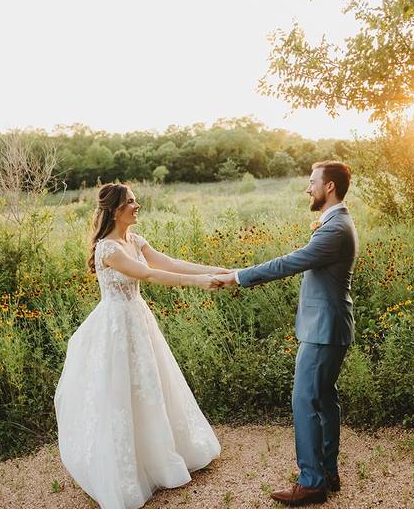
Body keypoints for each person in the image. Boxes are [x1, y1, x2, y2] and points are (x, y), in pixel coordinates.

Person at [54, 183, 224, 509]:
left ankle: (161, 456)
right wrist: (201, 284)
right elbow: (149, 275)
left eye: (135, 200)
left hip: (139, 321)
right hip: (116, 327)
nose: (137, 205)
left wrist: (217, 271)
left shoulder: (133, 240)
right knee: (122, 393)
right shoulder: (108, 249)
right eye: (131, 202)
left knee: (151, 386)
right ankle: (128, 469)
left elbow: (170, 263)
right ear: (116, 210)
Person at [213, 161, 358, 506]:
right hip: (327, 327)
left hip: (324, 331)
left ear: (330, 188)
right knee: (323, 400)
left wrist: (238, 276)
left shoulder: (335, 229)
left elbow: (288, 263)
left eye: (312, 182)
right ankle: (327, 473)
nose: (308, 188)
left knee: (305, 400)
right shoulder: (336, 223)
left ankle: (311, 482)